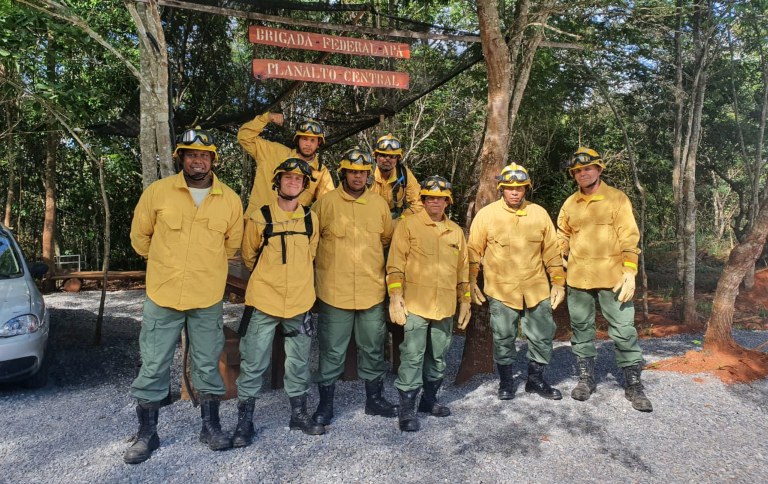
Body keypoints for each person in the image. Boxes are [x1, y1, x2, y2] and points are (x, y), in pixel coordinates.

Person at [125, 128, 243, 464]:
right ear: (181, 158)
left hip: (206, 296)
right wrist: (168, 262)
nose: (198, 160)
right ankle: (147, 433)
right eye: (191, 154)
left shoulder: (230, 200)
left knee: (207, 363)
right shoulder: (159, 193)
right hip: (164, 294)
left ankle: (211, 426)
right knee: (154, 363)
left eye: (204, 155)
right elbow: (139, 238)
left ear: (213, 160)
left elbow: (231, 245)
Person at [233, 158, 325, 444]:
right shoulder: (260, 216)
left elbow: (310, 254)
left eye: (298, 180)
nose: (293, 183)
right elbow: (249, 256)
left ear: (304, 186)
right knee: (253, 362)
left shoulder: (311, 218)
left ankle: (298, 414)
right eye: (288, 178)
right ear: (278, 182)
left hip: (299, 302)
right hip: (264, 300)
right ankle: (244, 422)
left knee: (298, 362)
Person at [557, 147, 653, 412]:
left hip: (613, 278)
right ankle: (586, 379)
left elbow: (629, 236)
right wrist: (560, 254)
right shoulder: (570, 203)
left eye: (587, 169)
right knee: (581, 330)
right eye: (577, 171)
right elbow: (562, 233)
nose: (582, 174)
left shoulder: (617, 199)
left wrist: (630, 270)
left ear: (599, 170)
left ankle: (633, 385)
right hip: (578, 279)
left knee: (623, 330)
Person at [311, 147, 397, 427]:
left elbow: (385, 240)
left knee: (373, 347)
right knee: (332, 350)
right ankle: (325, 405)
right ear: (343, 172)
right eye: (352, 171)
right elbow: (310, 243)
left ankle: (375, 400)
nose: (358, 177)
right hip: (334, 292)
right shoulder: (325, 204)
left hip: (371, 291)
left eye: (362, 172)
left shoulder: (379, 205)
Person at [468, 163, 565, 401]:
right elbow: (473, 252)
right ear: (501, 188)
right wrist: (469, 282)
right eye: (509, 188)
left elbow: (552, 251)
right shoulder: (487, 215)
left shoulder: (539, 213)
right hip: (502, 289)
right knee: (503, 337)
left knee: (542, 334)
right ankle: (506, 381)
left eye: (519, 188)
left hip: (536, 286)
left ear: (526, 189)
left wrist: (559, 282)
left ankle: (536, 380)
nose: (514, 192)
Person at [386, 176, 471, 432]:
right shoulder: (408, 226)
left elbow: (462, 270)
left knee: (438, 355)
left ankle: (429, 401)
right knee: (412, 356)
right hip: (415, 304)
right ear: (423, 201)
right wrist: (395, 295)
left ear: (448, 201)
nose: (436, 202)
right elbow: (395, 264)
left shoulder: (455, 231)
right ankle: (407, 410)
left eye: (440, 198)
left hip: (444, 306)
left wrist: (465, 300)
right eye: (430, 198)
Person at [238, 112, 335, 217]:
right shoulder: (274, 152)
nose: (308, 144)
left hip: (290, 229)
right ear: (297, 140)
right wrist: (266, 117)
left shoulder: (321, 172)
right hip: (255, 223)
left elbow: (328, 205)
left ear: (318, 143)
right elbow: (244, 137)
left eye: (312, 140)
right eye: (304, 139)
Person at [369, 134, 422, 219]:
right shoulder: (367, 175)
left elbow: (418, 204)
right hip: (369, 218)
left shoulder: (404, 174)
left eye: (392, 156)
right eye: (383, 155)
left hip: (397, 219)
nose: (387, 159)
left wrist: (402, 219)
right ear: (375, 156)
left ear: (397, 158)